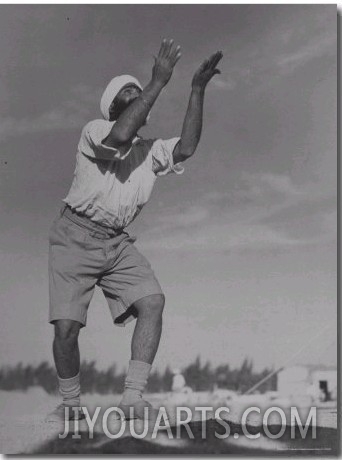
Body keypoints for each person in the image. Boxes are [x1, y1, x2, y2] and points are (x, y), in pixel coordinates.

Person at [46, 39, 223, 422]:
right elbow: (120, 138)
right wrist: (157, 82)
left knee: (153, 302)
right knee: (66, 328)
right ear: (114, 108)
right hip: (74, 235)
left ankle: (132, 398)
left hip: (116, 242)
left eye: (139, 91)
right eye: (130, 92)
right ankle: (71, 404)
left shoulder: (150, 151)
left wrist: (196, 89)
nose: (139, 95)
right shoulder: (96, 130)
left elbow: (187, 147)